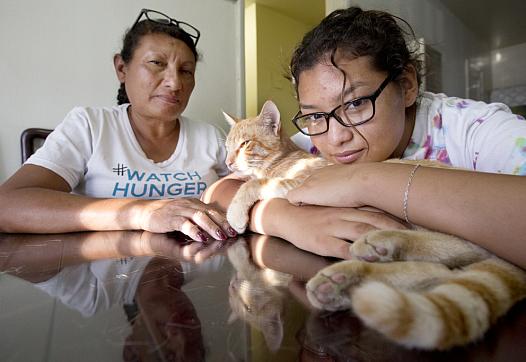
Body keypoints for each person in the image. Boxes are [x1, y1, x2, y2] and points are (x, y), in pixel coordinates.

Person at [205, 6, 526, 268]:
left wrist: (364, 179)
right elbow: (219, 191)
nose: (335, 137)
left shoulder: (475, 129)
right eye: (315, 114)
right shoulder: (315, 137)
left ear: (408, 84)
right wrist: (284, 218)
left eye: (356, 104)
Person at [0, 9, 237, 242]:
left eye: (186, 71)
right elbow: (7, 206)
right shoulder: (90, 126)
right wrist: (139, 212)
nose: (175, 83)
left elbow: (247, 193)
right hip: (107, 273)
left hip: (199, 271)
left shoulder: (209, 136)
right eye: (157, 63)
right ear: (122, 68)